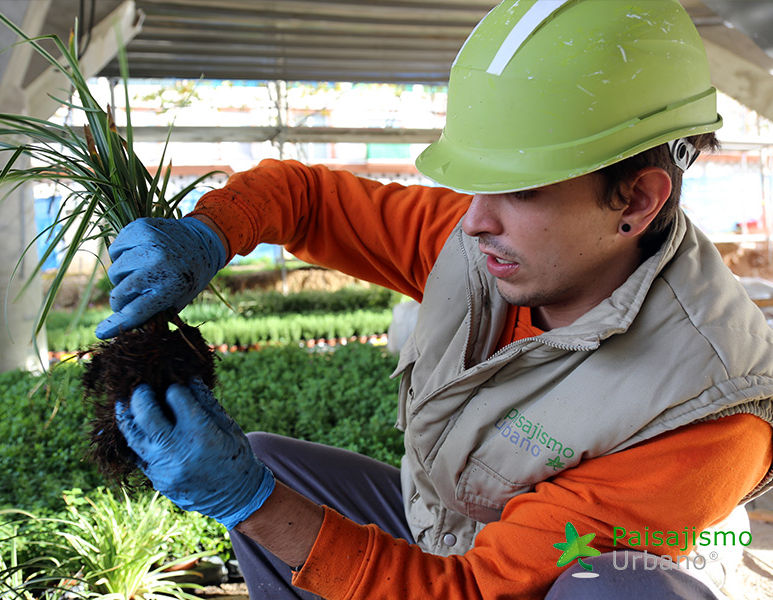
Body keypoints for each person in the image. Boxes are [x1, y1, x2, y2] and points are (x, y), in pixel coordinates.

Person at [97, 1, 773, 598]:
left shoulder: (703, 418)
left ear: (637, 200)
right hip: (446, 532)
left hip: (555, 579)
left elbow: (475, 590)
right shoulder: (484, 246)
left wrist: (250, 504)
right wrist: (211, 230)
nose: (475, 220)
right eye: (479, 183)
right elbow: (304, 198)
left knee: (620, 594)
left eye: (522, 189)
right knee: (271, 464)